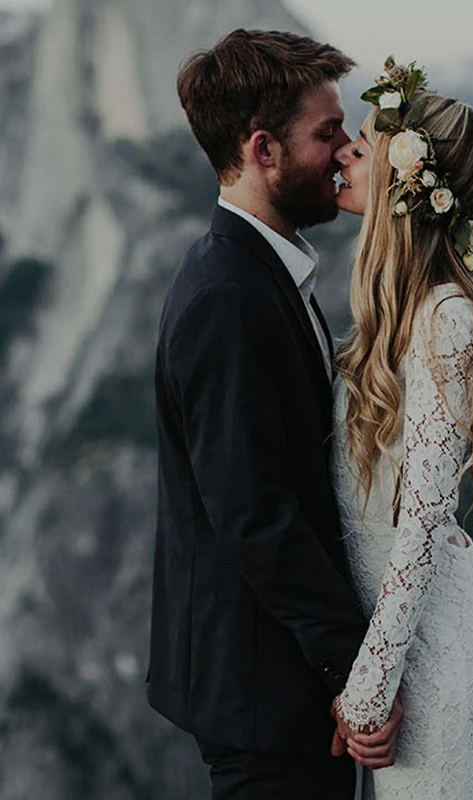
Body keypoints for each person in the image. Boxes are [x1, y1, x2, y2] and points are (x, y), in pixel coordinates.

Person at [146, 30, 401, 800]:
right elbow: (255, 514)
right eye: (328, 135)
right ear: (263, 149)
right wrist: (358, 672)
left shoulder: (260, 269)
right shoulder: (228, 297)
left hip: (276, 676)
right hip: (264, 689)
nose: (349, 151)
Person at [328, 59, 473, 799]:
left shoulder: (448, 316)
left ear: (402, 180)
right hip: (400, 636)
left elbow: (421, 519)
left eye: (362, 144)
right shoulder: (398, 309)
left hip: (436, 642)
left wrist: (368, 688)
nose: (343, 156)